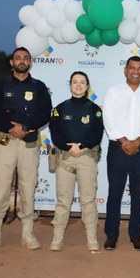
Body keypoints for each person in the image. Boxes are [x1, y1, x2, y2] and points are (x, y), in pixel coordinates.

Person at [0, 47, 52, 251]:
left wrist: (25, 128)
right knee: (1, 188)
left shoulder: (39, 87)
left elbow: (45, 112)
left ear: (30, 62)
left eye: (25, 58)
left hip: (28, 144)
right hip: (5, 142)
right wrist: (11, 127)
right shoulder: (0, 85)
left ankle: (27, 234)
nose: (22, 61)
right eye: (18, 58)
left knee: (28, 189)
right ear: (11, 62)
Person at [101, 56, 140, 251]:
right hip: (118, 149)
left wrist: (137, 142)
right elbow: (108, 118)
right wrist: (125, 142)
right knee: (115, 193)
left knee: (138, 195)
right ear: (125, 70)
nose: (136, 71)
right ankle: (111, 234)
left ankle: (136, 235)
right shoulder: (113, 91)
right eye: (132, 68)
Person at [48, 71, 104, 252]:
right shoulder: (60, 108)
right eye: (75, 82)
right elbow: (55, 133)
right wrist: (68, 147)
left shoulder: (95, 110)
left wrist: (81, 146)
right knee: (63, 200)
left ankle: (91, 238)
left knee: (88, 200)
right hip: (65, 158)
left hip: (87, 158)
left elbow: (97, 134)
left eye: (82, 82)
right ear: (70, 85)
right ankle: (57, 238)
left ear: (87, 86)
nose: (78, 85)